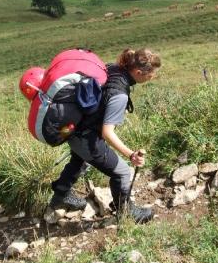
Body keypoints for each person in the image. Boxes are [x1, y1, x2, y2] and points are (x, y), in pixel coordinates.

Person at [49, 47, 161, 223]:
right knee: (122, 172)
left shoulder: (112, 68)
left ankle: (60, 195)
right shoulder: (120, 95)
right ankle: (125, 213)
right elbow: (107, 133)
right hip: (86, 138)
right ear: (138, 72)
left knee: (79, 160)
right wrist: (131, 155)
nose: (152, 77)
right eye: (151, 74)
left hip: (74, 128)